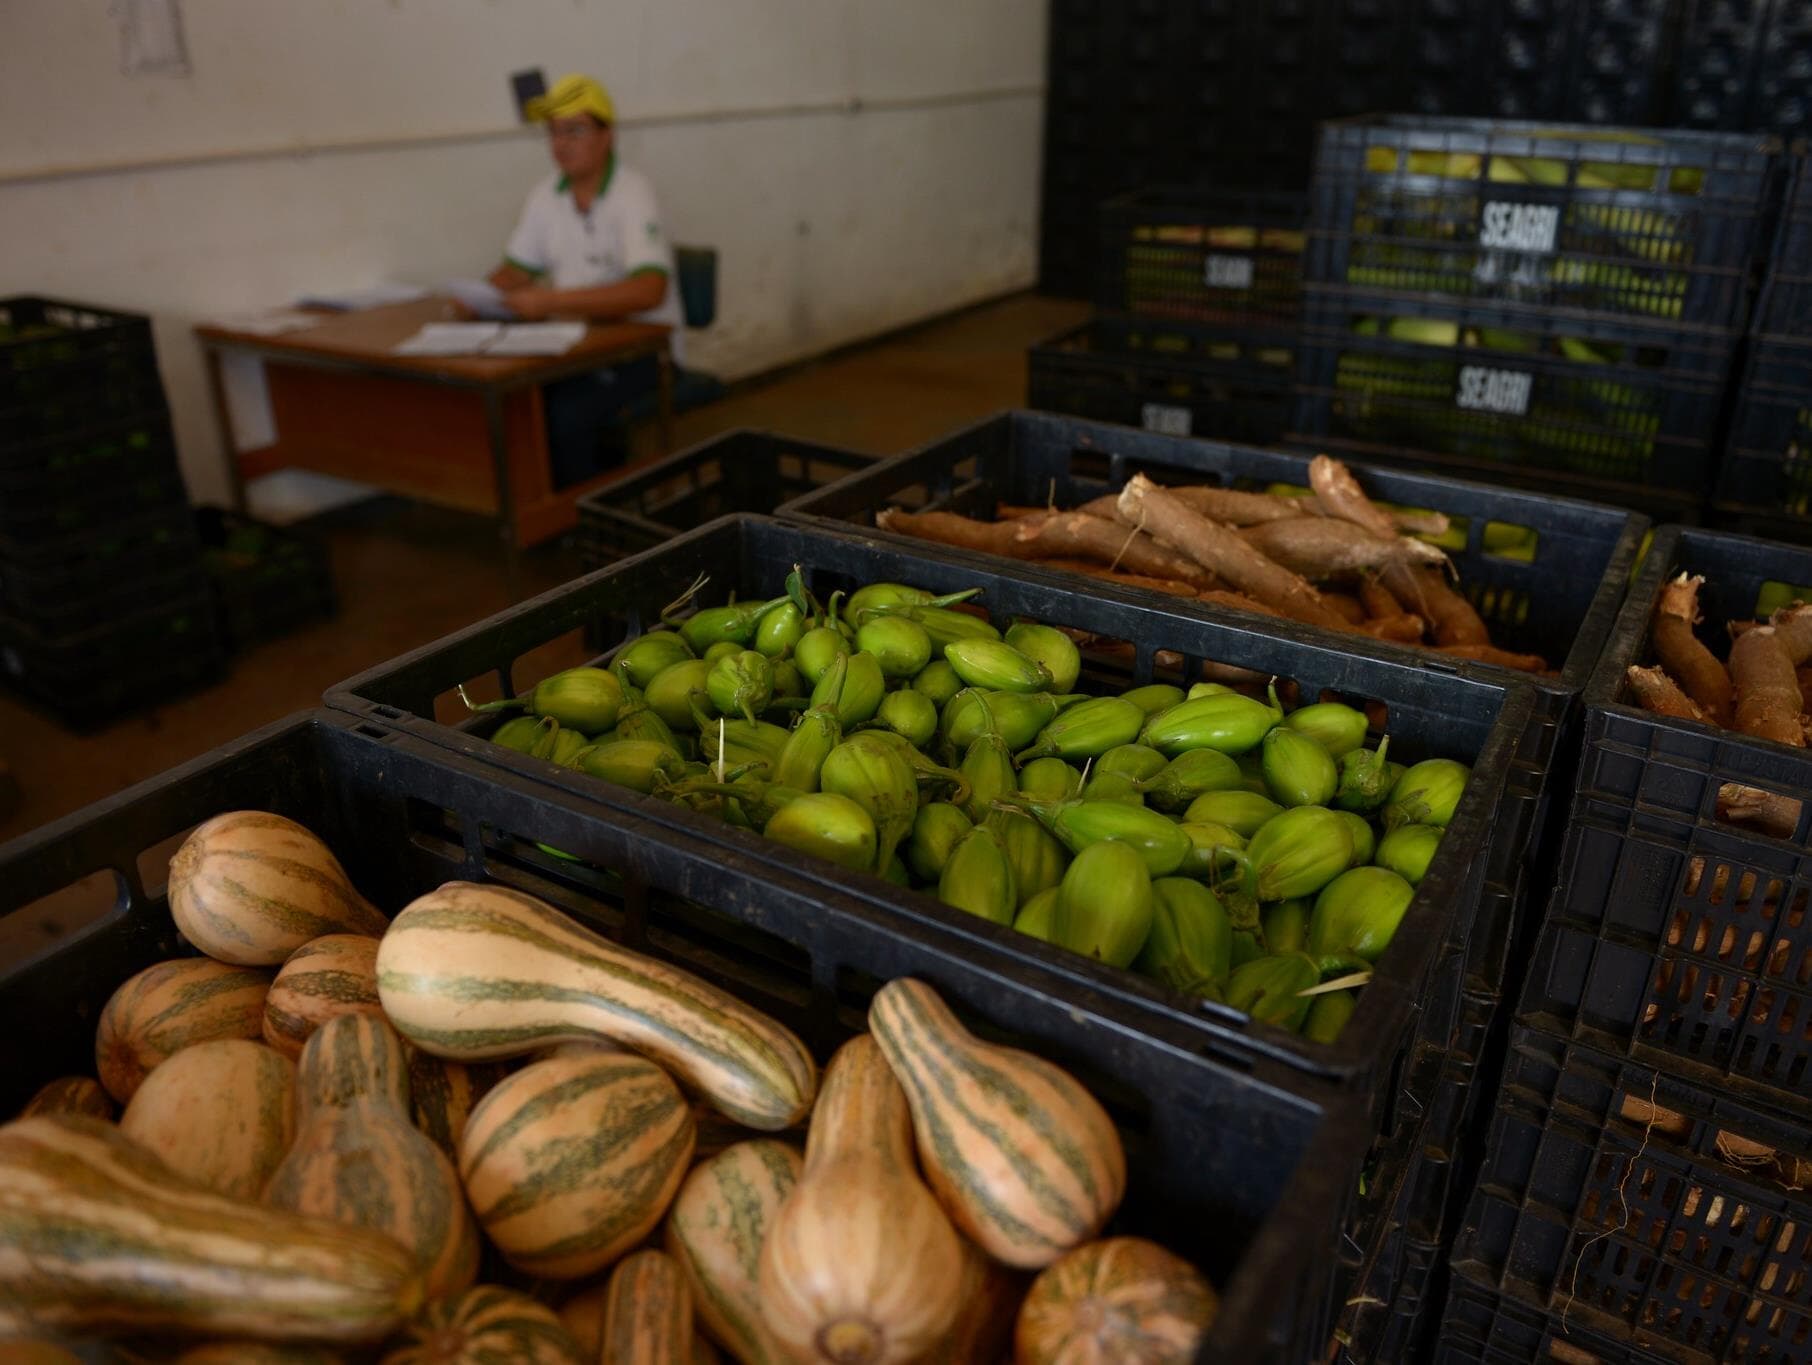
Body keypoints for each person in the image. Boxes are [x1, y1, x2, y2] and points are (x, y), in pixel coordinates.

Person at [488, 74, 684, 489]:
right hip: (573, 347)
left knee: (566, 413)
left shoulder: (633, 192)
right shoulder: (546, 195)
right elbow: (514, 272)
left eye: (574, 130)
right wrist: (475, 297)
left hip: (641, 354)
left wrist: (550, 301)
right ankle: (541, 514)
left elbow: (650, 291)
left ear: (606, 136)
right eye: (554, 133)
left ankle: (585, 517)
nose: (561, 144)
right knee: (516, 404)